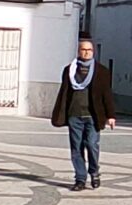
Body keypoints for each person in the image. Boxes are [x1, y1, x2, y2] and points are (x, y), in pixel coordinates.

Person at [49, 37, 117, 190]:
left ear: (93, 52)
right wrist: (61, 112)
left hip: (93, 115)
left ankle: (94, 172)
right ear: (79, 51)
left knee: (92, 144)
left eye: (89, 50)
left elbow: (107, 94)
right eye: (83, 50)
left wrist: (110, 115)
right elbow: (64, 93)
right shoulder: (70, 70)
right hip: (75, 115)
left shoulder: (102, 71)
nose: (86, 53)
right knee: (76, 147)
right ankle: (80, 178)